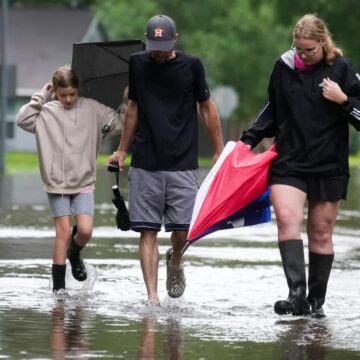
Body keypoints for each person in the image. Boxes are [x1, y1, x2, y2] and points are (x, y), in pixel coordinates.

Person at [241, 14, 360, 318]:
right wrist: (247, 141)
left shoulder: (342, 69)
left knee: (320, 231)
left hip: (328, 164)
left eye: (309, 50)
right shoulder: (284, 66)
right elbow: (272, 109)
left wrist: (343, 99)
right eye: (298, 49)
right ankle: (296, 296)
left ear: (323, 43)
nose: (303, 56)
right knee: (286, 216)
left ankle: (315, 302)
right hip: (290, 161)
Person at [107, 14, 224, 305]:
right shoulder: (138, 64)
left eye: (164, 44)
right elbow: (132, 107)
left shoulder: (192, 66)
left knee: (183, 233)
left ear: (176, 39)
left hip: (182, 161)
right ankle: (152, 299)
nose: (158, 51)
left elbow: (206, 107)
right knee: (146, 231)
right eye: (154, 45)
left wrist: (220, 148)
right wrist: (122, 150)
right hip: (146, 160)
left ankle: (174, 261)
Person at [16, 66, 122, 292]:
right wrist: (41, 96)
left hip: (83, 181)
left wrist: (128, 100)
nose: (68, 99)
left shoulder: (92, 109)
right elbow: (22, 119)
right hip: (57, 184)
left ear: (78, 90)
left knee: (85, 231)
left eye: (72, 94)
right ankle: (59, 290)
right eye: (63, 95)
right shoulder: (45, 112)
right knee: (63, 232)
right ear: (54, 91)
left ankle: (74, 253)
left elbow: (120, 123)